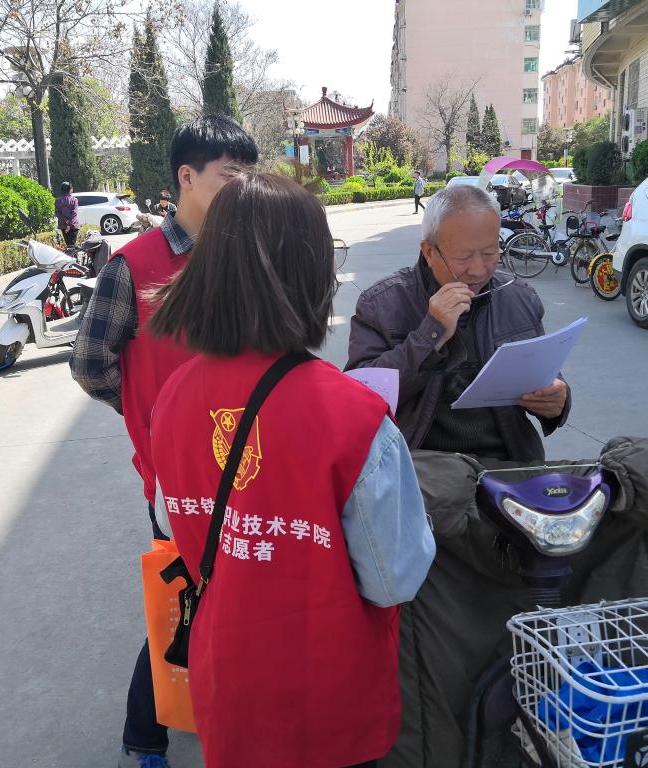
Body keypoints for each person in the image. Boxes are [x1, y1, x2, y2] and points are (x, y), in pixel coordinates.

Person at [147, 172, 435, 768]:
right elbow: (394, 579)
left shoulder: (172, 397)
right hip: (330, 698)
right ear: (310, 275)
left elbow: (178, 526)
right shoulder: (353, 414)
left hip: (228, 684)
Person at [69, 114, 260, 768]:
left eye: (247, 176)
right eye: (230, 175)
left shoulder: (244, 255)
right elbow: (91, 363)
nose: (242, 187)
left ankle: (219, 706)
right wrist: (151, 416)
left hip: (249, 461)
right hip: (177, 474)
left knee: (238, 594)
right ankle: (145, 733)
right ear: (186, 176)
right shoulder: (134, 266)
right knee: (187, 598)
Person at [346, 184, 570, 462]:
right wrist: (430, 333)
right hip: (419, 466)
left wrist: (557, 399)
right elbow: (358, 400)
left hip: (506, 462)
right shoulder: (381, 304)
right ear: (429, 252)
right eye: (463, 257)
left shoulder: (518, 297)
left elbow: (546, 374)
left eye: (490, 253)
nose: (478, 270)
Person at [55, 181, 80, 247]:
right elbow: (74, 213)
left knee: (68, 245)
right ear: (69, 189)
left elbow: (57, 213)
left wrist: (66, 224)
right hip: (73, 226)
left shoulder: (58, 200)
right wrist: (69, 224)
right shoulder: (74, 200)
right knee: (72, 246)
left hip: (63, 226)